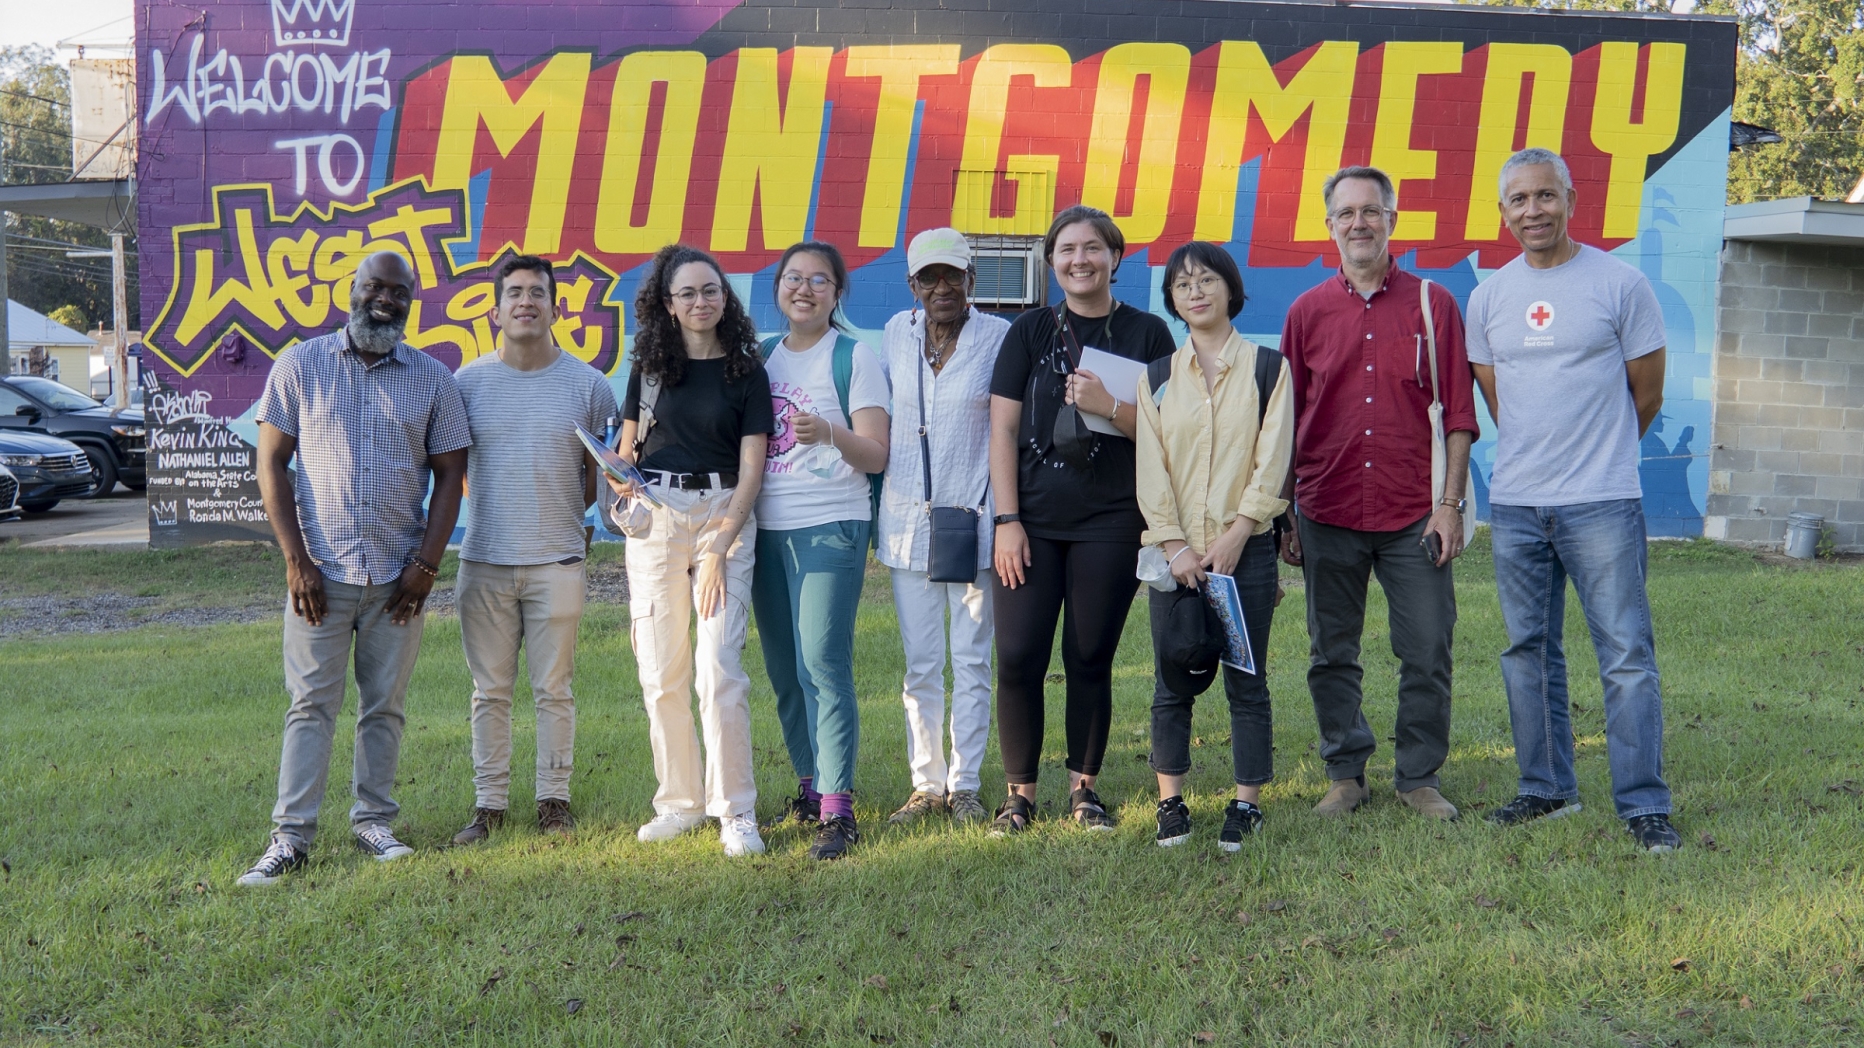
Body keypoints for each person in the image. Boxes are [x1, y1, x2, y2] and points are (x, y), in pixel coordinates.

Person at [1467, 147, 1681, 852]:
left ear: (1570, 200)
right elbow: (1502, 400)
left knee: (1624, 654)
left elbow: (1643, 396)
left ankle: (1644, 804)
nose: (1533, 211)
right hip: (1520, 505)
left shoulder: (1621, 285)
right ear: (1504, 214)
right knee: (1527, 651)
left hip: (1602, 501)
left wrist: (1601, 449)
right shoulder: (1488, 297)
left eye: (1545, 196)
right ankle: (1545, 789)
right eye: (1519, 201)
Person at [238, 251, 471, 886]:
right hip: (321, 574)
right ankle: (290, 839)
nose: (387, 300)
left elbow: (451, 476)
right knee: (311, 704)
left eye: (401, 292)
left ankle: (374, 821)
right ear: (352, 289)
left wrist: (427, 564)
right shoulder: (300, 364)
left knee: (385, 707)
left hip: (399, 578)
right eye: (376, 287)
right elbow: (272, 466)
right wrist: (296, 561)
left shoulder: (433, 379)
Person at [1277, 166, 1477, 822]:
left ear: (1392, 219)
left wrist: (1448, 506)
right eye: (1346, 213)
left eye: (1371, 211)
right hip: (1325, 509)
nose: (1358, 223)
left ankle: (1418, 777)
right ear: (1328, 225)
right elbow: (1286, 419)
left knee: (1426, 646)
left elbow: (1457, 416)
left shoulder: (1433, 304)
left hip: (1412, 516)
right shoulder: (1306, 312)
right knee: (1331, 651)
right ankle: (1346, 774)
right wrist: (1284, 513)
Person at [987, 205, 1175, 834]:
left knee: (1089, 653)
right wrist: (1006, 519)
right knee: (1017, 654)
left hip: (1113, 519)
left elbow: (1167, 433)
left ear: (1115, 259)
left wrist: (1111, 406)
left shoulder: (1149, 335)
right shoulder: (1029, 333)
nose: (1079, 260)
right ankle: (1019, 793)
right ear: (1050, 263)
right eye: (1066, 250)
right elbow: (1003, 428)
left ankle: (1083, 788)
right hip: (1032, 521)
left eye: (1093, 248)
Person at [449, 254, 618, 846]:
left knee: (555, 689)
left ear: (554, 306)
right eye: (514, 292)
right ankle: (489, 806)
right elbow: (455, 470)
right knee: (489, 691)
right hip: (484, 561)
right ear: (495, 310)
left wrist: (572, 518)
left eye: (537, 293)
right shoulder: (466, 384)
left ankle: (554, 801)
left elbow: (600, 468)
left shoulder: (588, 385)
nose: (525, 302)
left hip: (558, 560)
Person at [611, 244, 773, 858]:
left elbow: (752, 470)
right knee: (660, 672)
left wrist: (719, 544)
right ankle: (679, 802)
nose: (702, 302)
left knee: (718, 670)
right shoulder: (648, 370)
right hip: (656, 523)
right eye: (688, 294)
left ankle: (735, 811)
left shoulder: (745, 370)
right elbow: (628, 454)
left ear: (724, 298)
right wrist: (616, 472)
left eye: (711, 291)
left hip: (722, 520)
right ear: (668, 304)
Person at [1135, 242, 1294, 849]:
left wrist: (1236, 534)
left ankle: (1246, 802)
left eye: (1206, 280)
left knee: (1244, 679)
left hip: (1242, 553)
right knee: (1172, 676)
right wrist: (1175, 547)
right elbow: (1152, 470)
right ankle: (1170, 802)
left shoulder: (1266, 369)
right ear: (1172, 300)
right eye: (1181, 285)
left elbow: (1272, 458)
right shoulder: (1156, 378)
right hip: (1174, 557)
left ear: (1230, 289)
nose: (1195, 291)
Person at [750, 241, 891, 861]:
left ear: (837, 294)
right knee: (784, 670)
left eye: (819, 280)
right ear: (777, 288)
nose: (803, 289)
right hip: (764, 531)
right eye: (792, 278)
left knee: (821, 664)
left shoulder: (855, 357)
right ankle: (809, 788)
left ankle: (838, 808)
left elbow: (877, 454)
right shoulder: (759, 358)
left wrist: (830, 433)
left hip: (831, 525)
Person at [878, 228, 1011, 829]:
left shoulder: (999, 338)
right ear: (912, 285)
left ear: (971, 281)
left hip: (974, 522)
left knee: (973, 659)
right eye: (928, 277)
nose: (941, 288)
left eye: (952, 276)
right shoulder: (892, 336)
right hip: (908, 524)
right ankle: (925, 784)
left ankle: (966, 785)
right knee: (922, 663)